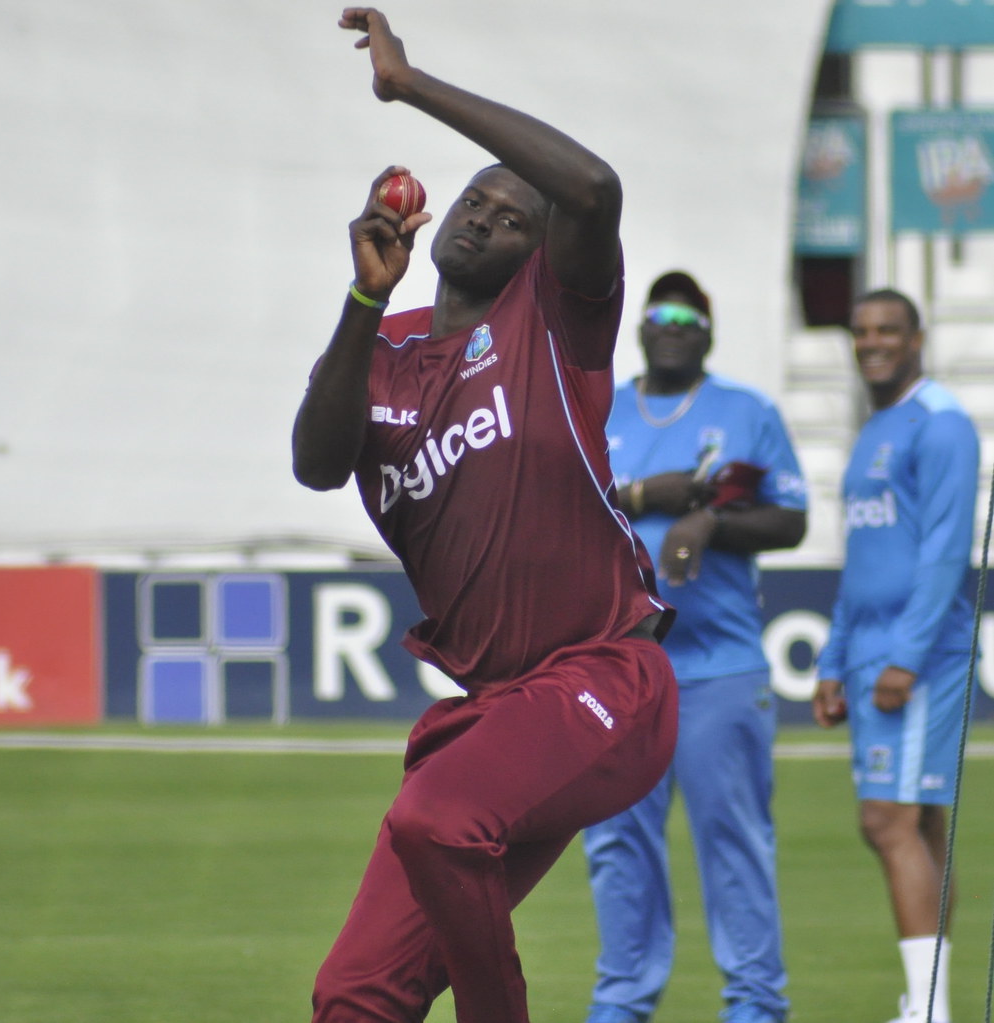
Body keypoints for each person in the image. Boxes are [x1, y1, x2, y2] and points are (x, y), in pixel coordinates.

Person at [291, 10, 680, 1023]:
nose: (480, 218)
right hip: (500, 711)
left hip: (604, 676)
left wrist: (410, 86)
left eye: (512, 217)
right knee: (353, 996)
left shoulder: (554, 320)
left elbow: (590, 189)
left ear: (539, 255)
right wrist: (360, 302)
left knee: (432, 819)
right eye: (472, 202)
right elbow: (316, 464)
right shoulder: (382, 352)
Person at [582, 271, 807, 1023]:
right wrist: (649, 496)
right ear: (640, 327)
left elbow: (789, 522)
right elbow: (558, 502)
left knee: (733, 840)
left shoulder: (747, 411)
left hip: (719, 664)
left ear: (707, 331)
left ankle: (753, 1006)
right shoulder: (599, 408)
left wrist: (711, 521)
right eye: (659, 313)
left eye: (688, 315)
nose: (672, 324)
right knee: (616, 843)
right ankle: (620, 1002)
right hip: (618, 666)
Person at [813, 288, 980, 1023]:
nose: (871, 342)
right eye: (860, 331)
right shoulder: (877, 425)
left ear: (916, 337)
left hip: (918, 655)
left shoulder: (941, 423)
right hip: (868, 649)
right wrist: (831, 659)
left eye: (887, 330)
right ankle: (926, 1000)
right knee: (919, 823)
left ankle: (930, 1010)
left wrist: (905, 657)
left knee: (886, 819)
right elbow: (863, 559)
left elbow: (945, 552)